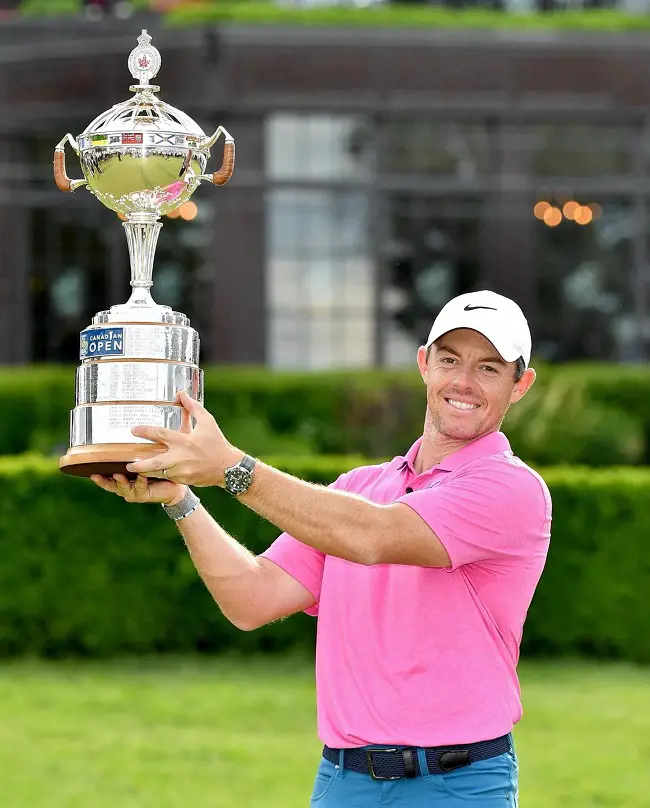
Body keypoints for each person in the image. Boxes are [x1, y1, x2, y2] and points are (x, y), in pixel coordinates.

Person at [91, 289, 552, 808]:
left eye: (489, 368)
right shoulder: (355, 490)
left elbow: (375, 537)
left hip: (459, 785)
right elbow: (252, 598)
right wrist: (182, 499)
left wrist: (233, 470)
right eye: (449, 360)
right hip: (344, 782)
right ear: (424, 365)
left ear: (520, 385)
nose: (463, 382)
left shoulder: (512, 490)